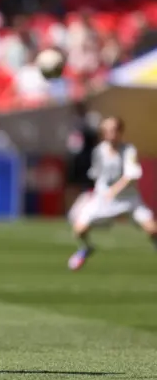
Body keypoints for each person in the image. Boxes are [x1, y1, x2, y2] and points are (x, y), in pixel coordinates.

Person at [68, 116, 157, 271]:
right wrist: (95, 194)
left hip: (128, 199)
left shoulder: (129, 150)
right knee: (79, 230)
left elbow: (131, 175)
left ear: (120, 132)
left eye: (114, 130)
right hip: (104, 199)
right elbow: (97, 175)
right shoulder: (98, 151)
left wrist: (114, 190)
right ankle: (86, 248)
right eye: (107, 130)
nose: (111, 134)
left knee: (152, 229)